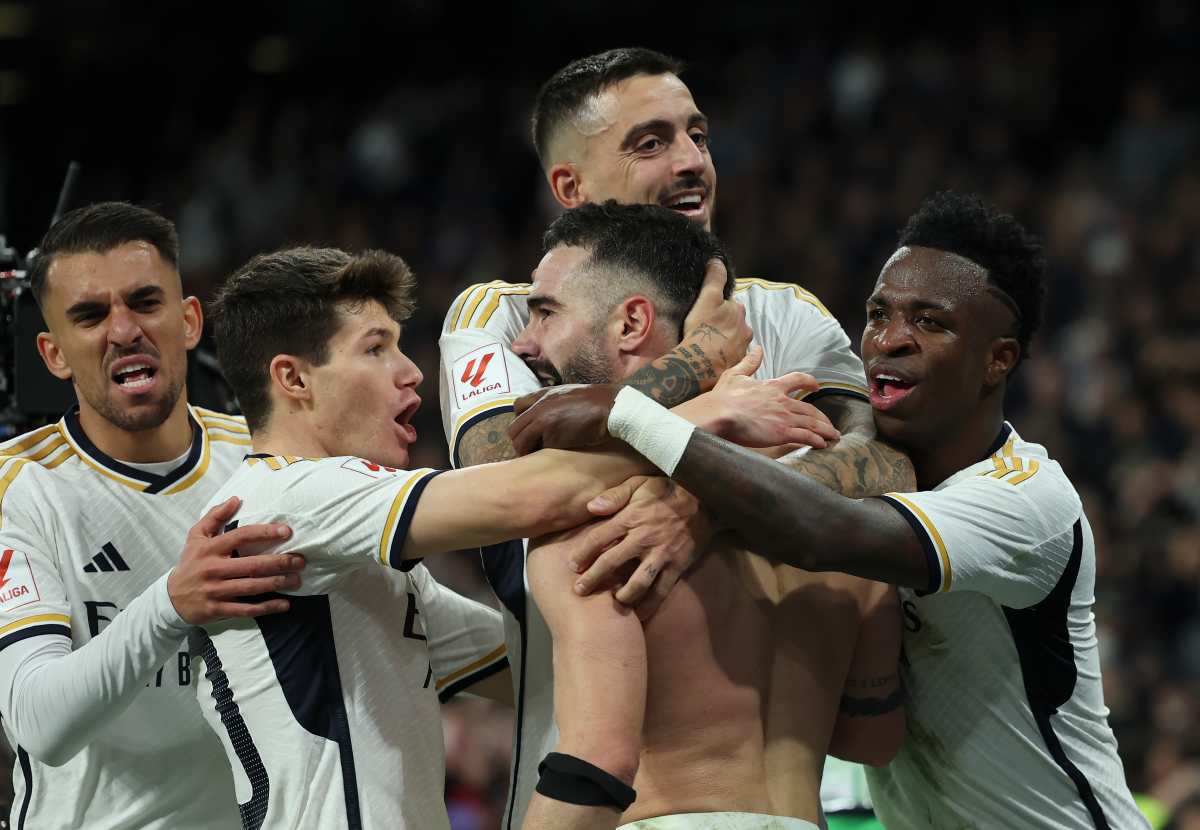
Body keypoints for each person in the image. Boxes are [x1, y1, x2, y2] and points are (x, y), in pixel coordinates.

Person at [508, 191, 1150, 830]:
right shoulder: (862, 474)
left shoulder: (1023, 499)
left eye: (930, 321)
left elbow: (819, 529)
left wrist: (630, 416)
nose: (890, 340)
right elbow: (872, 735)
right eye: (878, 313)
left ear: (998, 359)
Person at [436, 47, 915, 828]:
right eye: (651, 142)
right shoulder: (508, 315)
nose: (693, 161)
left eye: (700, 136)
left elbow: (890, 469)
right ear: (570, 186)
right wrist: (700, 375)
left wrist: (713, 505)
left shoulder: (788, 315)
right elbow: (499, 470)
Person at [198, 244, 802, 829]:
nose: (412, 373)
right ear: (293, 380)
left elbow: (535, 660)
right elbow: (526, 490)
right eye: (376, 349)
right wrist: (704, 417)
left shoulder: (362, 576)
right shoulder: (288, 498)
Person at [506, 201, 904, 830]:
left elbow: (596, 764)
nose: (521, 343)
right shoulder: (835, 509)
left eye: (546, 313)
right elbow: (872, 739)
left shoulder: (599, 512)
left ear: (631, 324)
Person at [0, 202, 306, 829]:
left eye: (145, 302)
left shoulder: (269, 455)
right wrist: (172, 603)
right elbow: (37, 722)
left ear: (190, 321)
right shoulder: (18, 486)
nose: (123, 330)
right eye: (90, 315)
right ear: (53, 354)